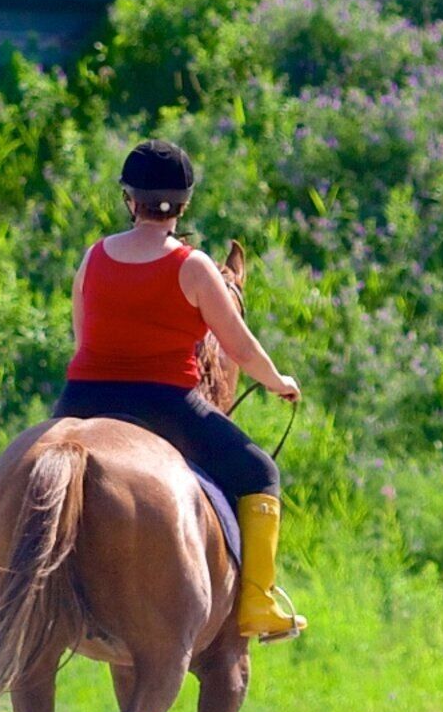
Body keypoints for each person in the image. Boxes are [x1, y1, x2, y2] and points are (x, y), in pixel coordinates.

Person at [56, 138, 303, 639]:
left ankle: (7, 599)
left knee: (35, 470)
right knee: (260, 470)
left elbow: (83, 337)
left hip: (82, 400)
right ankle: (257, 603)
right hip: (165, 404)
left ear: (130, 199)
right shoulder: (194, 267)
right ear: (184, 203)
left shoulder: (94, 257)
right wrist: (278, 383)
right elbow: (239, 347)